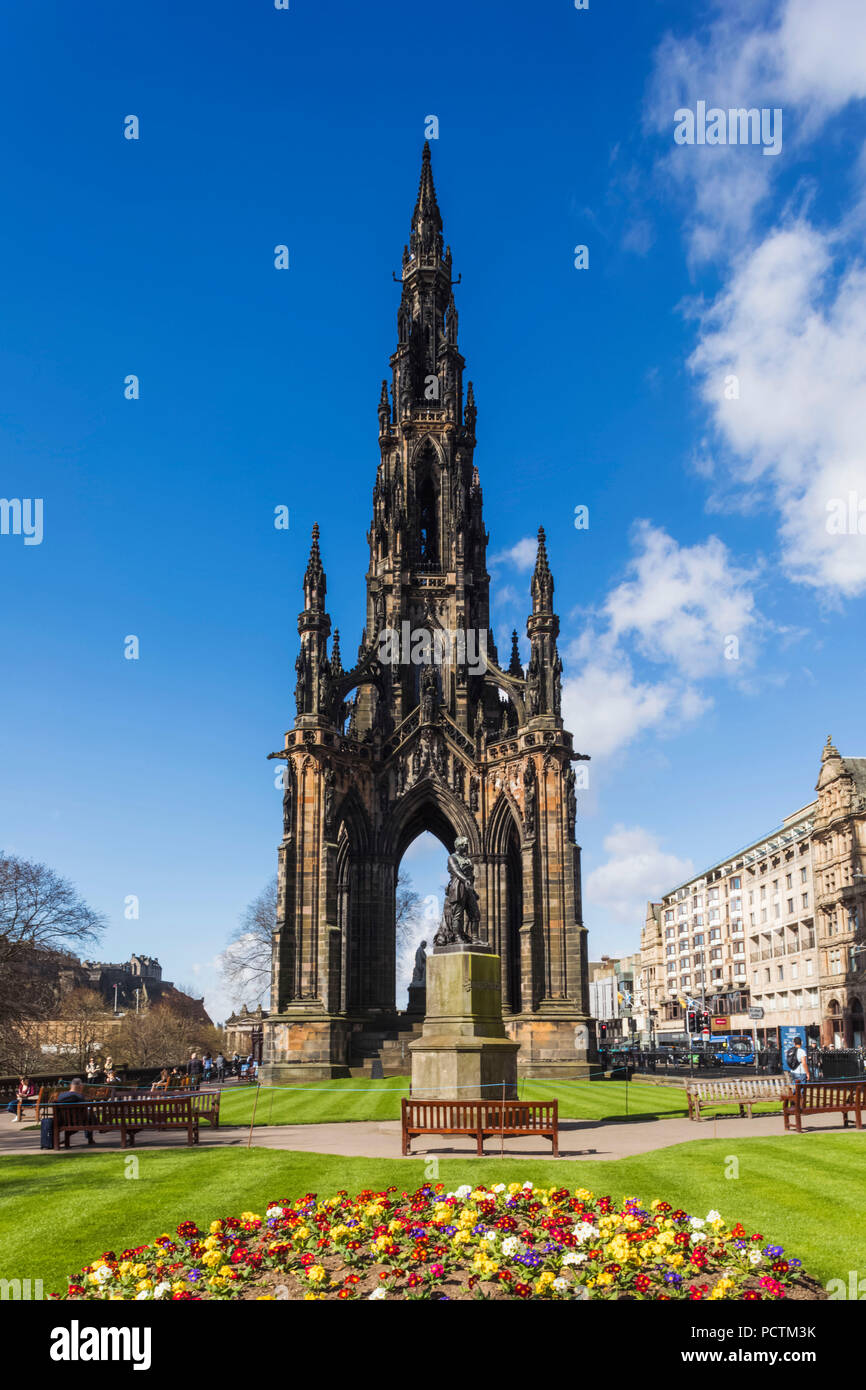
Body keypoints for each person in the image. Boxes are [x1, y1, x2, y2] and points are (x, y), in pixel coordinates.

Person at [54, 1078, 96, 1146]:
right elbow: (85, 1109)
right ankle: (90, 1138)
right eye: (82, 1085)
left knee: (88, 1116)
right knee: (90, 1115)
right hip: (79, 1121)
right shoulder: (79, 1096)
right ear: (79, 1086)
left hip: (64, 1121)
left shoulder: (61, 1096)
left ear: (71, 1085)